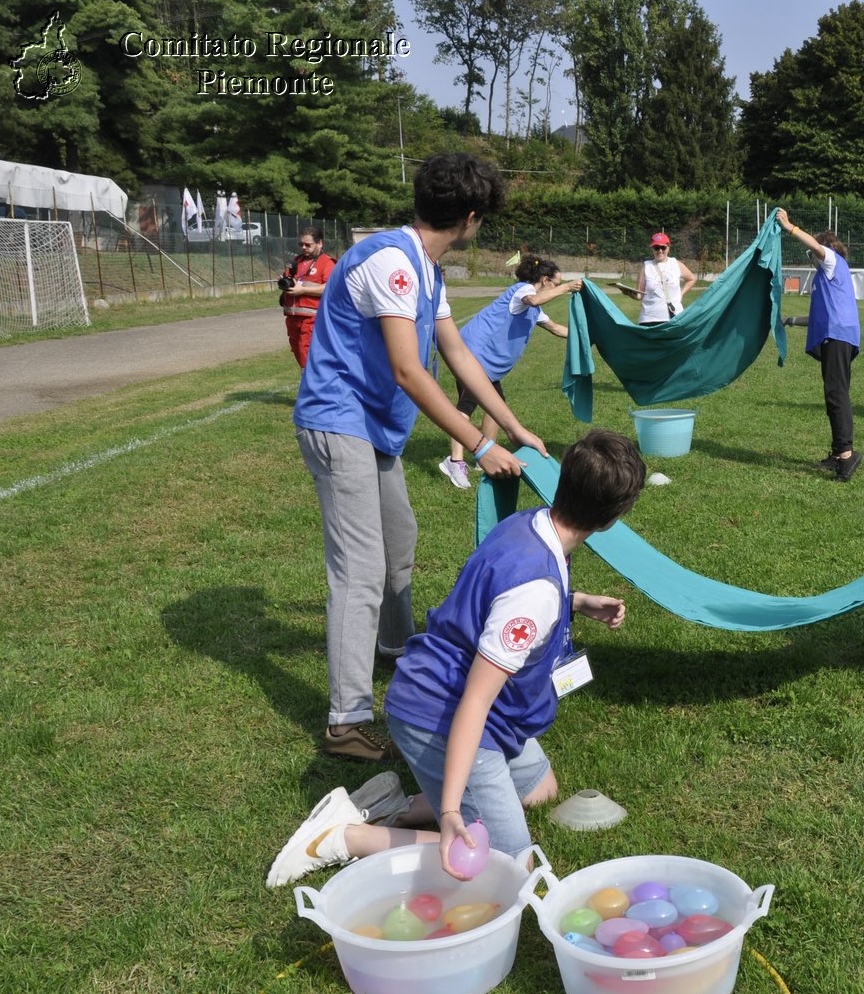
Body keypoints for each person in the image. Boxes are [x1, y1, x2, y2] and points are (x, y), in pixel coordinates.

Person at [265, 430, 645, 887]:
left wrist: (577, 601)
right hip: (439, 712)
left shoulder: (531, 524)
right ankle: (344, 837)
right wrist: (447, 813)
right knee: (504, 868)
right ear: (611, 519)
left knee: (540, 790)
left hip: (465, 701)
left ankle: (398, 804)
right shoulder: (535, 593)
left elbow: (501, 599)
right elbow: (474, 703)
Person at [293, 152, 549, 763]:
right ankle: (346, 721)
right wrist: (480, 445)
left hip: (374, 429)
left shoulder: (425, 270)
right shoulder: (392, 263)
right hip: (339, 421)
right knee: (359, 566)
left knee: (398, 540)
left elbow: (457, 352)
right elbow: (410, 370)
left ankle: (393, 645)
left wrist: (512, 425)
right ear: (469, 217)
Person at [437, 255, 583, 490]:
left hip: (485, 365)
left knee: (496, 407)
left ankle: (483, 455)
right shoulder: (522, 291)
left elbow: (556, 328)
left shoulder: (535, 310)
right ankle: (454, 461)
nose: (558, 288)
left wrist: (585, 337)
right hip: (473, 357)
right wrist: (567, 288)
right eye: (556, 284)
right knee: (466, 407)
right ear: (545, 280)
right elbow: (533, 300)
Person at [775, 208, 863, 481]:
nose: (810, 257)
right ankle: (838, 452)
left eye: (812, 253)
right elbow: (816, 317)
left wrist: (789, 227)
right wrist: (788, 321)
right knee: (833, 394)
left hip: (838, 336)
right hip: (833, 334)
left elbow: (817, 248)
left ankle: (847, 455)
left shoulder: (832, 261)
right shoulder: (826, 277)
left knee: (836, 395)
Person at [278, 227, 336, 369]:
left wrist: (303, 290)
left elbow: (329, 288)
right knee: (298, 351)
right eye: (301, 244)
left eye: (308, 245)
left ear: (320, 243)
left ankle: (310, 387)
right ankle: (310, 383)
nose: (304, 247)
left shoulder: (327, 262)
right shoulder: (295, 261)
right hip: (292, 316)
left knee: (306, 352)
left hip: (311, 318)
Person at [636, 231, 696, 325]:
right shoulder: (646, 266)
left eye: (663, 247)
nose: (660, 251)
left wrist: (681, 294)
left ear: (668, 248)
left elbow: (691, 279)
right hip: (649, 319)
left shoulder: (675, 264)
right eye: (656, 248)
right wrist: (628, 293)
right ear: (652, 249)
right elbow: (639, 295)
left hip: (674, 318)